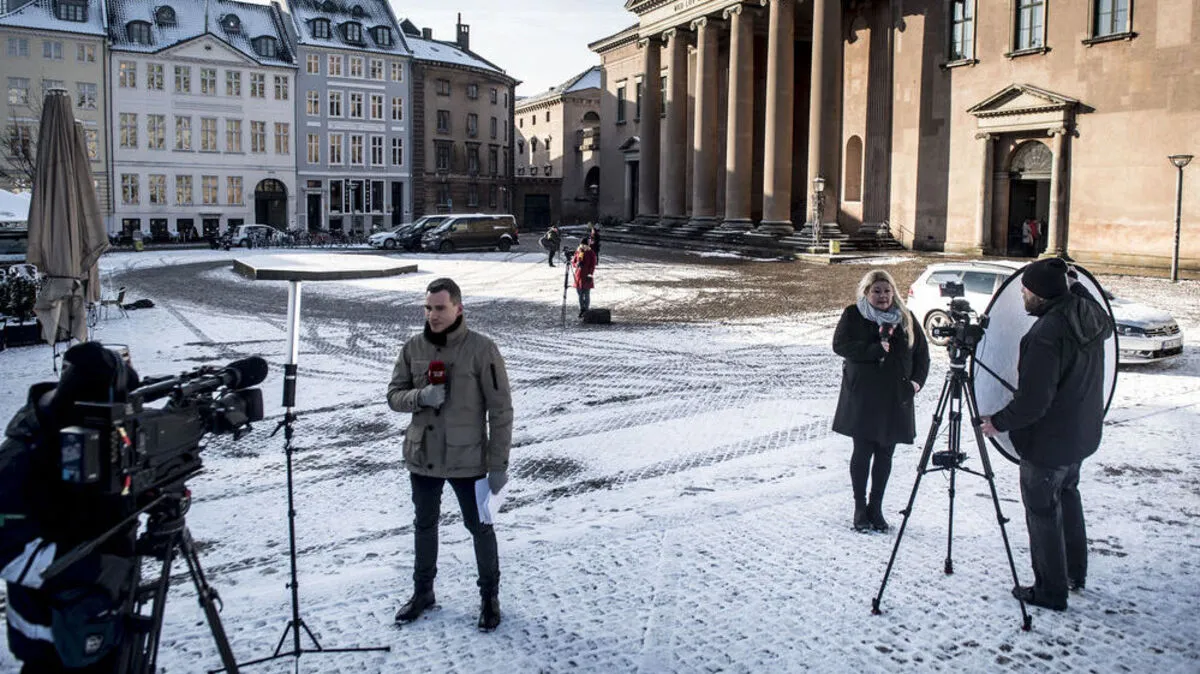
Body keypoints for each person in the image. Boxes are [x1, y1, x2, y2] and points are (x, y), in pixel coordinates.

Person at [981, 258, 1111, 611]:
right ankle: (1074, 573)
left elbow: (1033, 402)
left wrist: (998, 422)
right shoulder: (1087, 315)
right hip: (1080, 435)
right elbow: (1103, 318)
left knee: (1042, 513)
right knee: (1068, 496)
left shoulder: (1045, 335)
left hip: (1048, 443)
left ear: (1038, 294)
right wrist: (1075, 284)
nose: (1022, 295)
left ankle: (1050, 591)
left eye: (1025, 290)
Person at [2, 342, 139, 673]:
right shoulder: (21, 458)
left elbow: (99, 499)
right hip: (50, 638)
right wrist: (97, 566)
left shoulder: (91, 435)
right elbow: (7, 551)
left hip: (99, 621)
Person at [387, 278, 514, 631]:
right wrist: (420, 397)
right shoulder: (413, 347)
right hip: (423, 455)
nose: (432, 315)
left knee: (480, 527)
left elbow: (501, 410)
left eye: (440, 308)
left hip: (468, 459)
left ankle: (489, 598)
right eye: (428, 308)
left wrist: (498, 464)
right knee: (424, 525)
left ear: (459, 308)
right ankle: (423, 592)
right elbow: (394, 395)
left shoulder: (482, 350)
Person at [832, 269, 930, 533]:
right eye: (876, 291)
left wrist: (916, 382)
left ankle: (876, 507)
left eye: (887, 290)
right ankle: (859, 507)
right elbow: (840, 345)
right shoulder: (854, 314)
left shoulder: (906, 318)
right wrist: (874, 350)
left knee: (886, 454)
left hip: (895, 397)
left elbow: (922, 355)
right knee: (863, 452)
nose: (883, 296)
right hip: (863, 397)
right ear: (866, 292)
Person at [571, 240, 597, 318]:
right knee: (580, 294)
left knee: (586, 293)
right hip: (578, 275)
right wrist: (576, 264)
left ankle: (586, 309)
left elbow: (592, 265)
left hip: (586, 275)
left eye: (584, 245)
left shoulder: (591, 253)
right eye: (582, 245)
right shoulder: (578, 252)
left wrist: (590, 274)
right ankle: (582, 309)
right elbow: (573, 262)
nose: (583, 246)